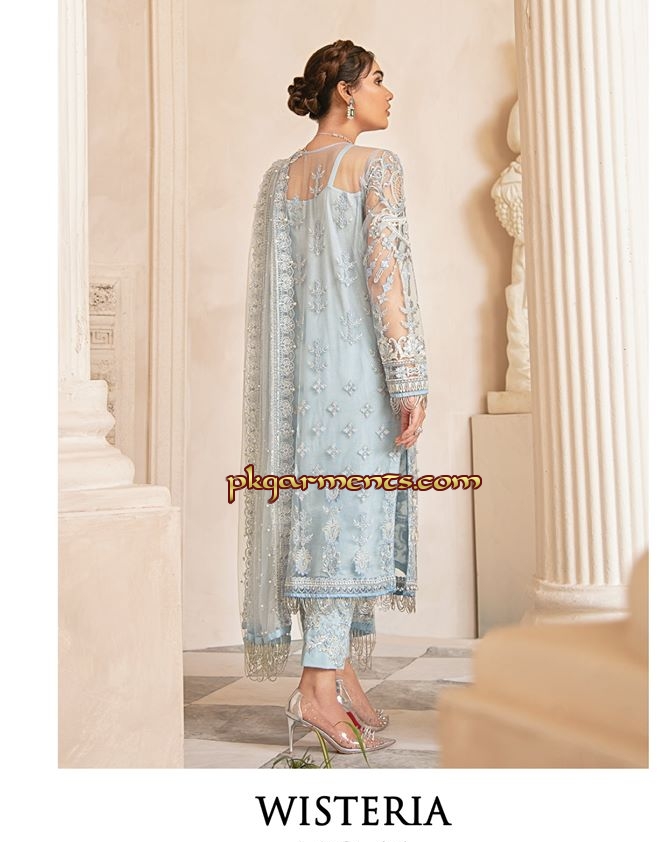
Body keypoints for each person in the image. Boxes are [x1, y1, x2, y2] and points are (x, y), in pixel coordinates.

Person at [238, 39, 429, 756]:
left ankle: (340, 670)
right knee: (348, 522)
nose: (388, 91)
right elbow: (386, 279)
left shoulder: (279, 178)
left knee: (320, 519)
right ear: (346, 90)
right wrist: (407, 376)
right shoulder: (376, 166)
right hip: (358, 380)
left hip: (298, 391)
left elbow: (280, 300)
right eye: (378, 79)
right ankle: (316, 687)